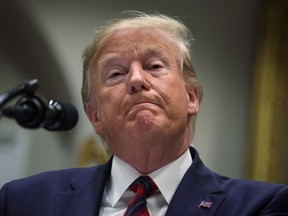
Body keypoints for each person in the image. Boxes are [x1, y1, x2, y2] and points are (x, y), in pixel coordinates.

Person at [0, 11, 287, 216]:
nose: (137, 80)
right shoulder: (22, 202)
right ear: (95, 116)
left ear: (191, 98)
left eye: (154, 67)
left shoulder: (261, 206)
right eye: (116, 73)